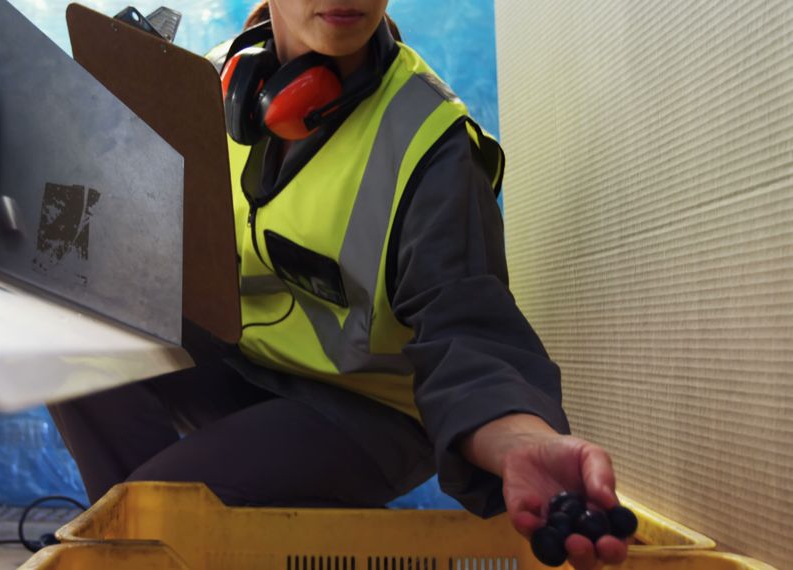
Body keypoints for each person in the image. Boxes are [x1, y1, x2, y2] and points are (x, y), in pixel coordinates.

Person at [49, 1, 628, 567]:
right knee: (72, 326)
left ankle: (149, 541)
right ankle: (146, 547)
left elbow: (467, 327)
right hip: (248, 364)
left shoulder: (431, 142)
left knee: (156, 506)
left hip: (367, 412)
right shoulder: (214, 80)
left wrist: (521, 439)